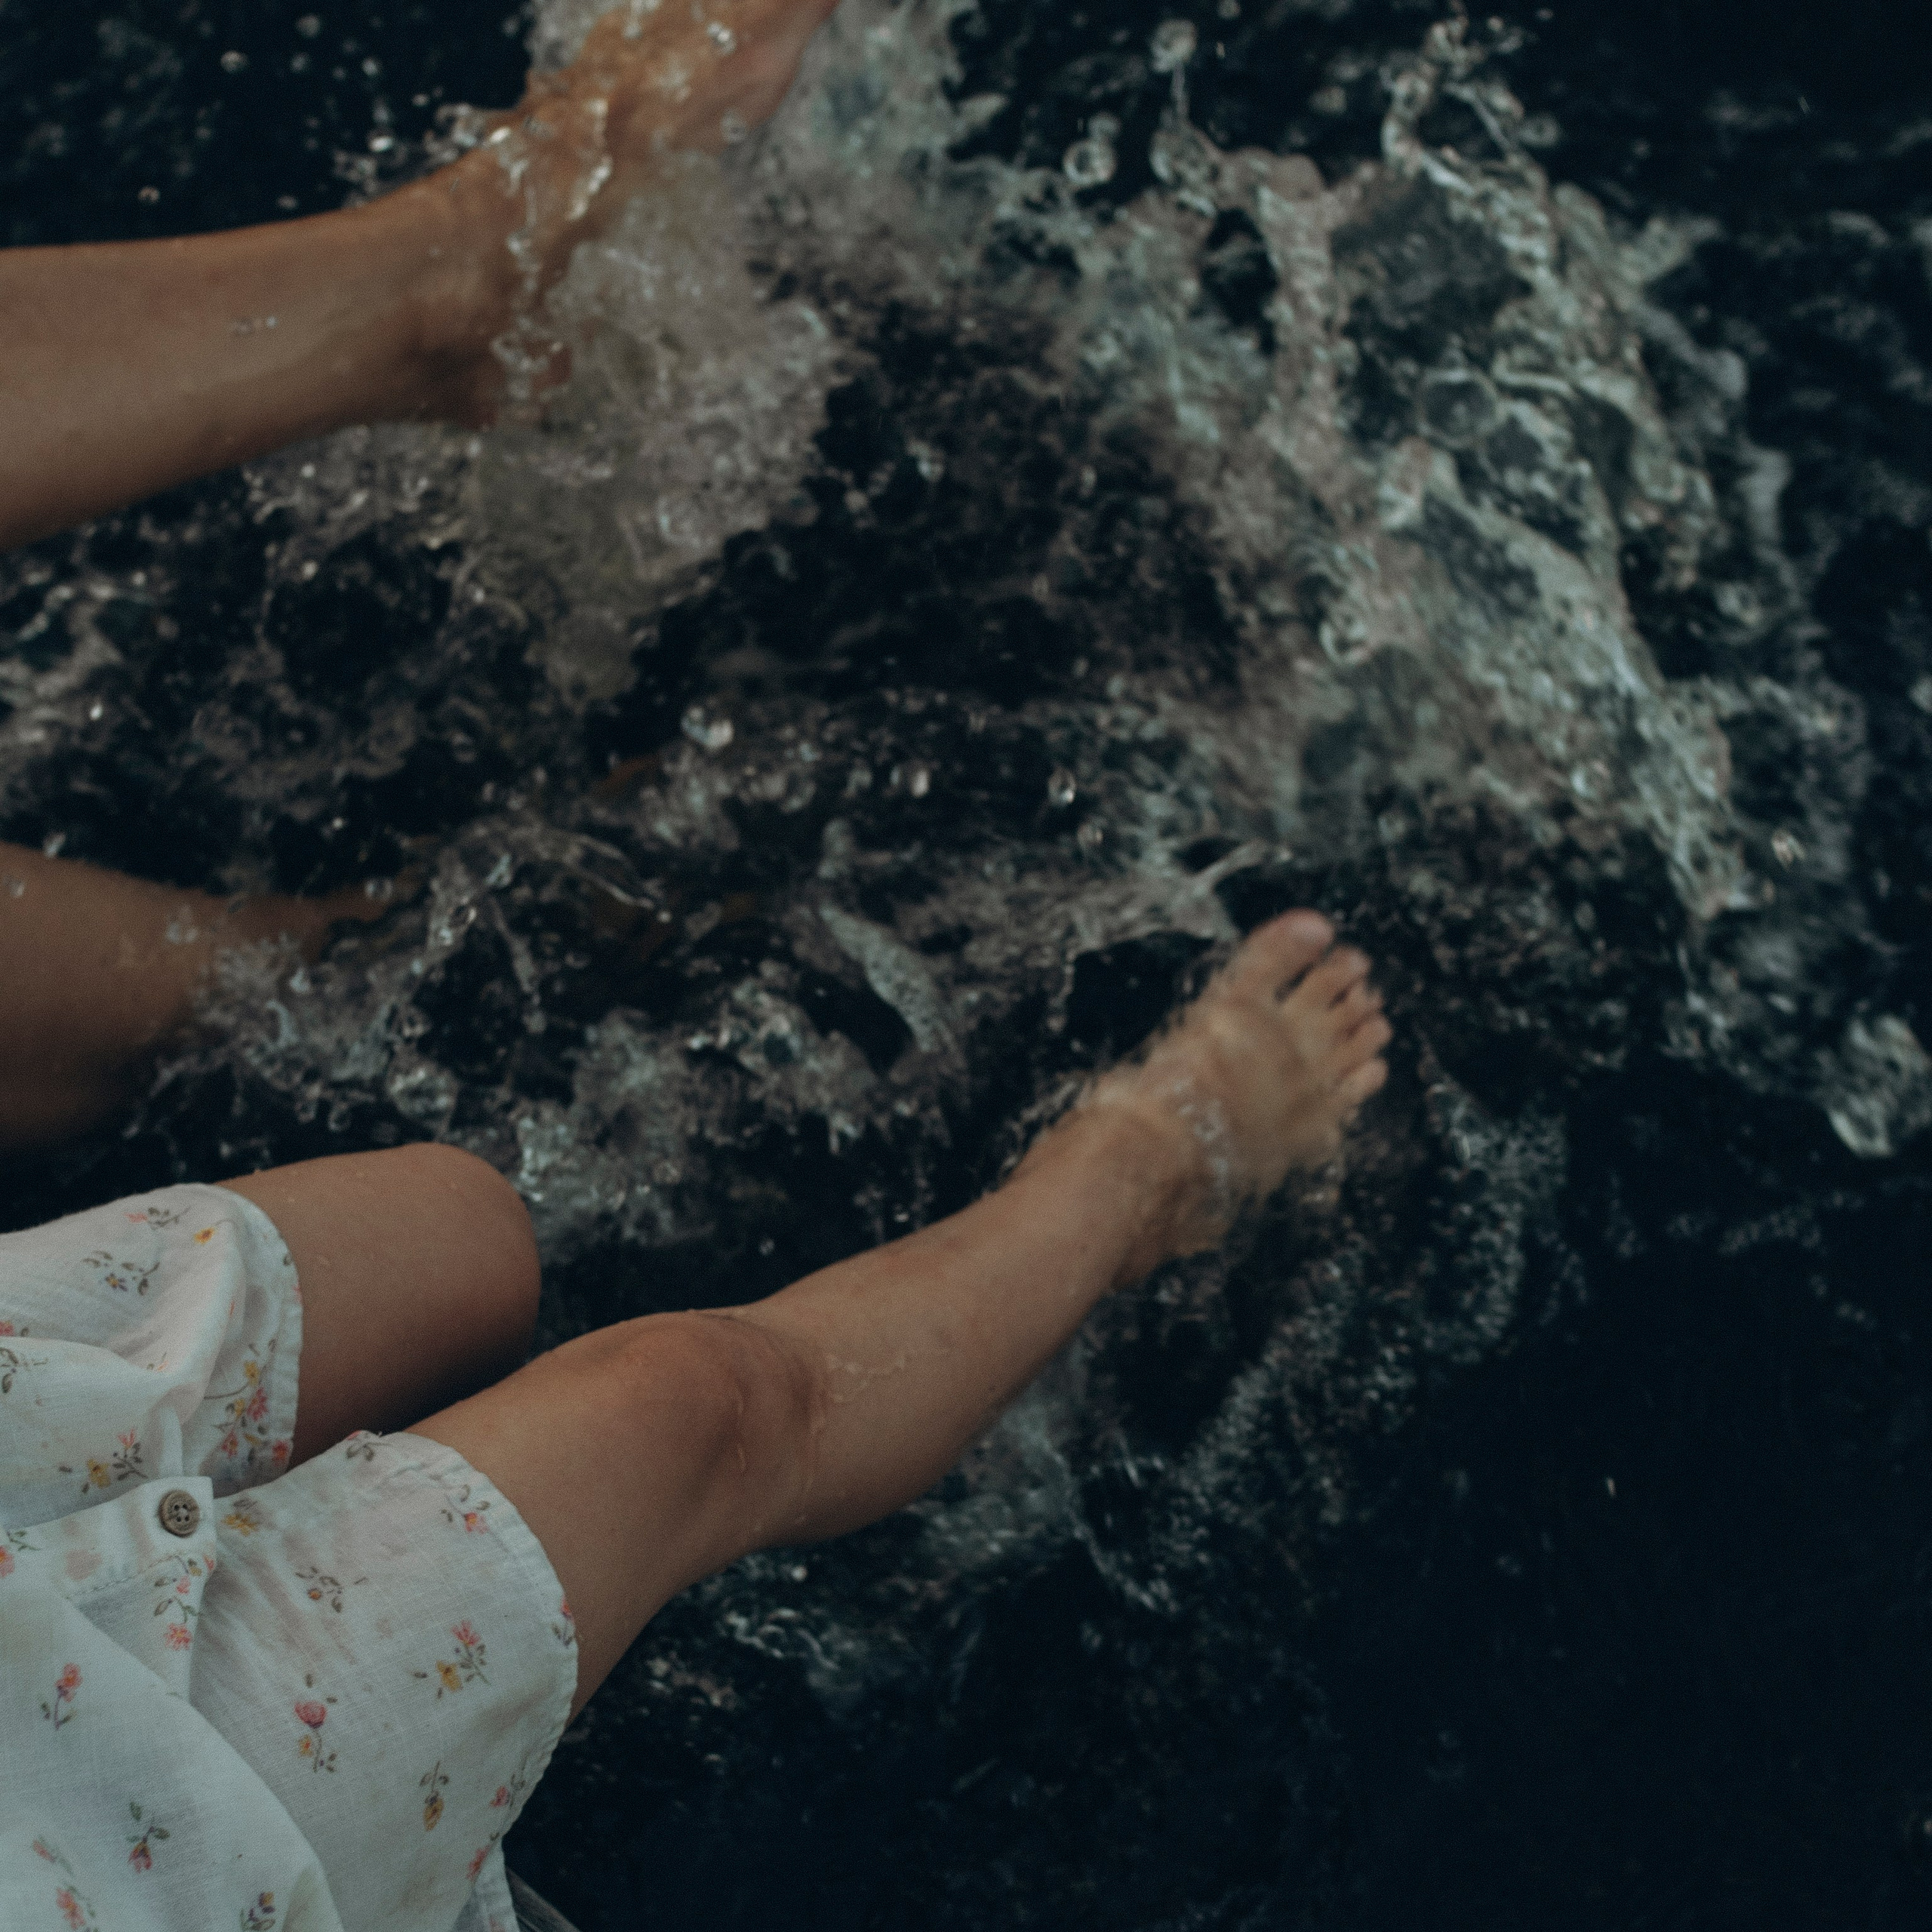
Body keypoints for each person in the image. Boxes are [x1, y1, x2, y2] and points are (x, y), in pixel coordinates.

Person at [0, 3, 1393, 1929]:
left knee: (455, 1233)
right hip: (110, 1842)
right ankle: (1145, 1169)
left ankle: (463, 305)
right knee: (686, 1408)